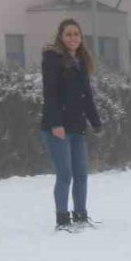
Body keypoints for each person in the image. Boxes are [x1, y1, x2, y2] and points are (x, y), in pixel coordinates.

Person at [40, 18, 102, 232]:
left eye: (76, 34)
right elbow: (50, 93)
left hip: (77, 126)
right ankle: (63, 218)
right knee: (65, 174)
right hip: (57, 127)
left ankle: (81, 214)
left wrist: (95, 121)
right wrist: (56, 123)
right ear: (61, 36)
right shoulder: (52, 59)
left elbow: (86, 95)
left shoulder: (81, 60)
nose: (73, 38)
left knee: (81, 174)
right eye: (68, 34)